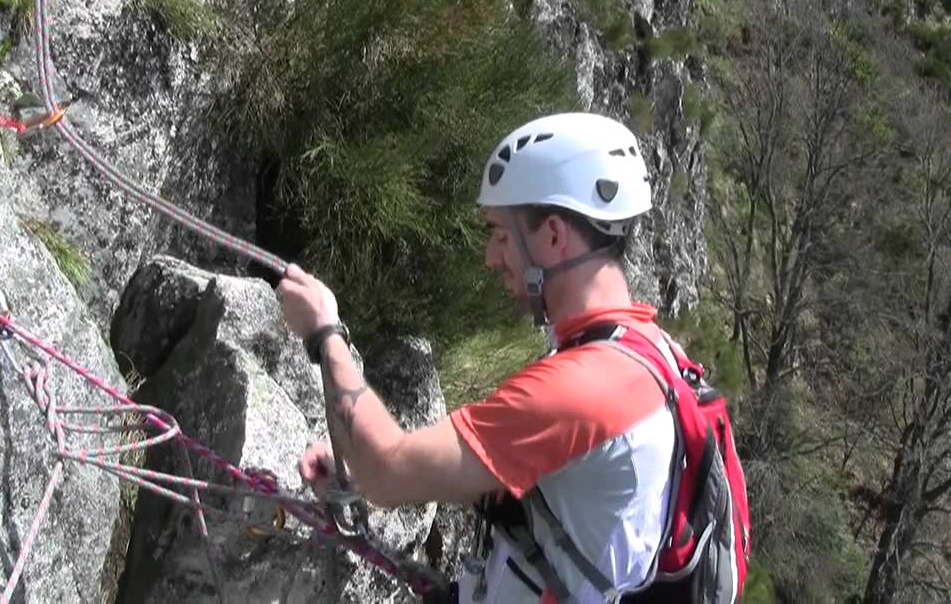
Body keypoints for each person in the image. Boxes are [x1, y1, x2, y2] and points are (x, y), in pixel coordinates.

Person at [278, 112, 682, 603]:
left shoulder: (582, 388)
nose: (492, 257)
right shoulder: (650, 354)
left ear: (554, 236)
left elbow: (387, 471)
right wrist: (364, 466)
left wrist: (325, 331)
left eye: (501, 234)